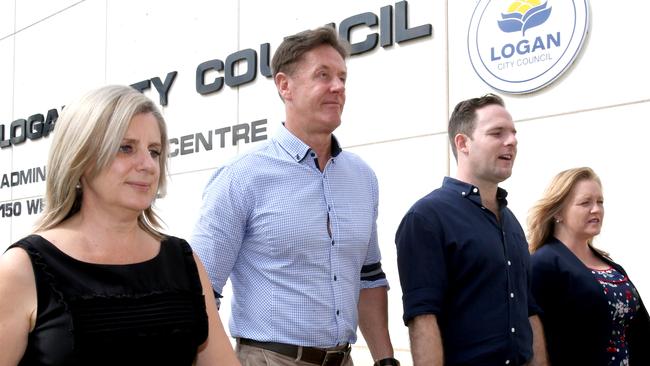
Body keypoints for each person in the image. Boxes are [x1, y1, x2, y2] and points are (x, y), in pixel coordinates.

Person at [191, 26, 398, 366]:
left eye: (343, 77)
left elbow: (369, 278)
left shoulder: (363, 178)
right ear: (285, 85)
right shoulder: (242, 177)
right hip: (270, 360)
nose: (338, 87)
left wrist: (385, 360)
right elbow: (201, 291)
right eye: (323, 75)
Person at [0, 85, 240, 366]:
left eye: (154, 151)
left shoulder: (183, 261)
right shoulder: (23, 268)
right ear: (80, 159)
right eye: (126, 148)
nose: (148, 165)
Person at [395, 94, 548, 366]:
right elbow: (423, 317)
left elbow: (529, 310)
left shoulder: (510, 221)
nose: (511, 141)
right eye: (496, 133)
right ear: (463, 143)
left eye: (513, 133)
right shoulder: (427, 218)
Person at [528, 167, 650, 365]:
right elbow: (533, 338)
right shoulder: (543, 264)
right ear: (558, 212)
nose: (596, 209)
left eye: (600, 202)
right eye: (585, 203)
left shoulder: (612, 266)